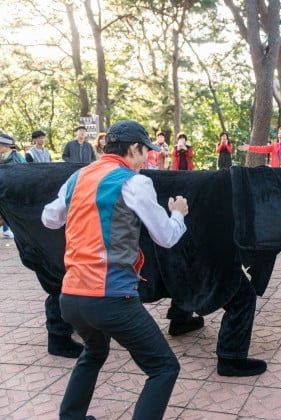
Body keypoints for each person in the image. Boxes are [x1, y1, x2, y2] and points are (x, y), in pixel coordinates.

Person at [41, 120, 189, 420]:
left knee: (93, 353)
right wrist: (177, 214)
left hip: (70, 297)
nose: (147, 158)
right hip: (110, 298)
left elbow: (49, 218)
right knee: (163, 368)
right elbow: (166, 237)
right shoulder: (134, 182)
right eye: (145, 151)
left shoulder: (78, 177)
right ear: (133, 148)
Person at [0, 133, 25, 239]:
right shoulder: (2, 156)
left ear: (5, 145)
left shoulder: (17, 157)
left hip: (11, 191)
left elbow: (23, 174)